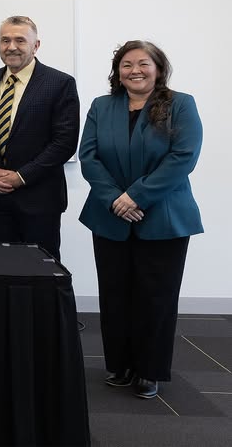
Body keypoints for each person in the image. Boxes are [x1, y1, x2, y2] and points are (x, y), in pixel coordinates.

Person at [79, 41, 202, 400]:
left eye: (143, 63)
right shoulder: (102, 106)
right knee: (115, 294)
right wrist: (116, 199)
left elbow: (183, 157)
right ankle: (119, 364)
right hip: (110, 214)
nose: (135, 70)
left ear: (158, 68)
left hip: (163, 217)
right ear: (117, 72)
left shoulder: (181, 104)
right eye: (126, 64)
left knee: (156, 298)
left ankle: (150, 371)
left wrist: (136, 196)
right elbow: (88, 157)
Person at [0, 16, 79, 260]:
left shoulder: (59, 83)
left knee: (42, 274)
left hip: (39, 199)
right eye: (5, 40)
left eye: (20, 40)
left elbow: (64, 143)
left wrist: (21, 176)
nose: (11, 47)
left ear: (36, 45)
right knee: (3, 271)